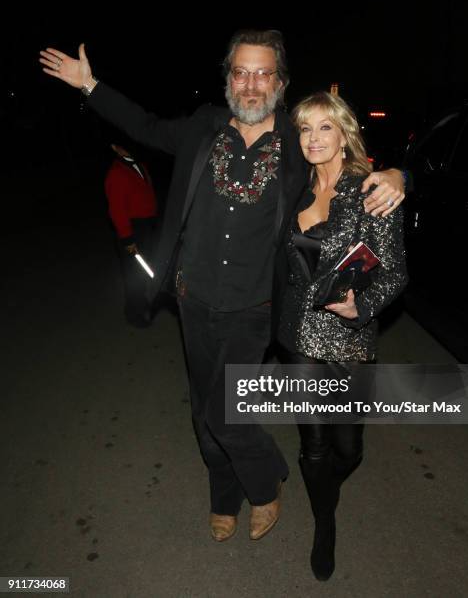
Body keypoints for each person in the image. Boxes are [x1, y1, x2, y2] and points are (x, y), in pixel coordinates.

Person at [39, 29, 407, 543]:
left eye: (263, 73)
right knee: (202, 407)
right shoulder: (201, 128)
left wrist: (399, 174)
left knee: (225, 410)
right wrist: (90, 85)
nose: (251, 84)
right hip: (193, 299)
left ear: (280, 82)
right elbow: (143, 125)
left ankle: (264, 481)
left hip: (256, 308)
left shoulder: (299, 145)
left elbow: (353, 164)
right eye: (241, 72)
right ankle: (223, 497)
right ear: (228, 78)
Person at [277, 91, 408, 580]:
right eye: (304, 128)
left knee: (348, 449)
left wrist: (362, 307)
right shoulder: (291, 185)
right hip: (296, 335)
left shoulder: (369, 190)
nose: (313, 139)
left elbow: (396, 273)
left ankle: (323, 491)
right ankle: (324, 522)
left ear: (343, 132)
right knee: (313, 444)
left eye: (324, 127)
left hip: (350, 339)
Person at [105, 142, 158, 327]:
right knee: (133, 276)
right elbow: (116, 211)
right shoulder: (116, 173)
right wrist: (127, 239)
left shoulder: (140, 164)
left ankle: (143, 304)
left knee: (144, 271)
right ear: (114, 147)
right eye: (123, 145)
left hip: (146, 226)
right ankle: (134, 315)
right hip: (131, 230)